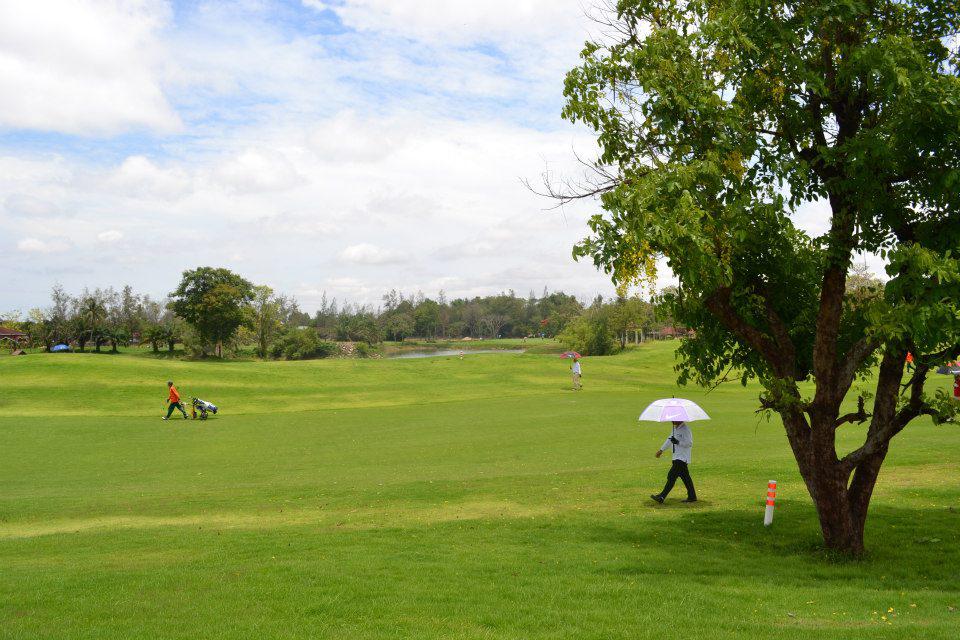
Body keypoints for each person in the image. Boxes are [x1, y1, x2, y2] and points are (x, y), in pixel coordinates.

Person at [650, 420, 697, 503]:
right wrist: (661, 450)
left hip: (682, 458)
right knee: (686, 478)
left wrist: (678, 442)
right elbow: (669, 440)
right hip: (676, 457)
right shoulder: (675, 429)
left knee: (671, 476)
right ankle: (692, 496)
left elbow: (689, 443)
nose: (672, 421)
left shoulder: (686, 429)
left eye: (674, 419)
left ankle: (662, 496)